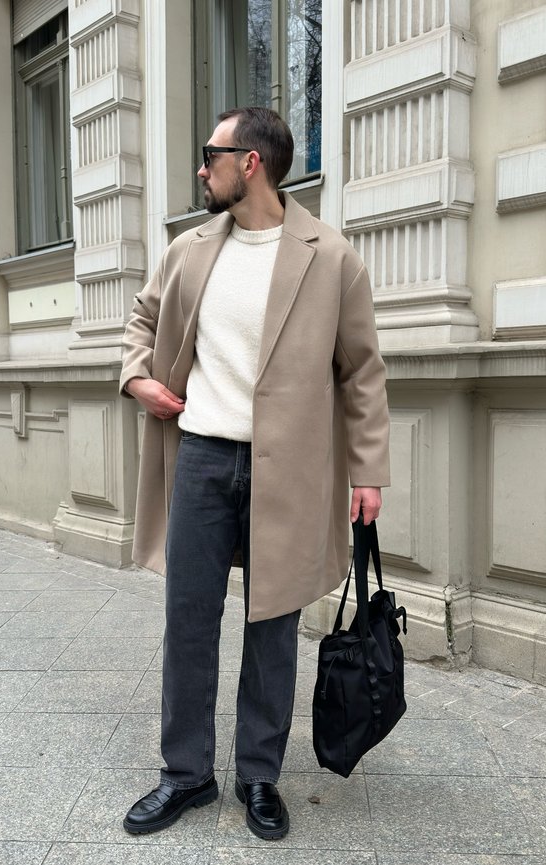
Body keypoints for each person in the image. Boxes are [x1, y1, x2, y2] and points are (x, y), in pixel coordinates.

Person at [120, 107, 390, 841]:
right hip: (202, 456)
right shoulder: (189, 249)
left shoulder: (329, 256)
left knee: (271, 625)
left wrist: (367, 470)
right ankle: (186, 773)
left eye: (212, 154)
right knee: (189, 621)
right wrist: (138, 378)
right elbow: (140, 325)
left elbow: (362, 370)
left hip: (290, 469)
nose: (202, 168)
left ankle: (259, 775)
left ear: (254, 163)